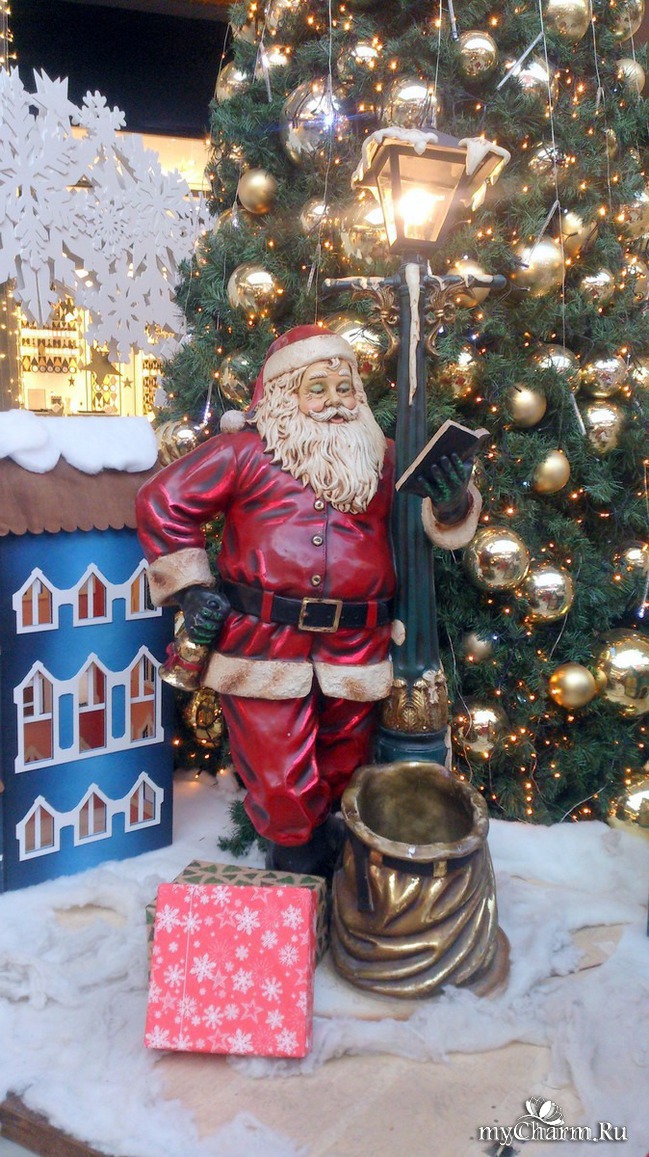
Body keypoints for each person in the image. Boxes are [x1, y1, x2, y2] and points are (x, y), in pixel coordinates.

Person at [136, 325, 482, 877]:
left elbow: (427, 526)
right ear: (283, 395)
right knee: (277, 773)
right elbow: (163, 501)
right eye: (316, 389)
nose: (334, 402)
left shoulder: (383, 459)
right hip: (264, 640)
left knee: (346, 760)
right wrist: (192, 588)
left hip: (357, 642)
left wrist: (452, 502)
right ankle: (297, 858)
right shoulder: (243, 453)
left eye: (345, 389)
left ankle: (333, 859)